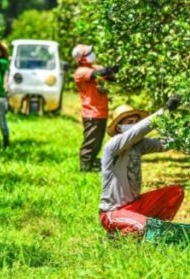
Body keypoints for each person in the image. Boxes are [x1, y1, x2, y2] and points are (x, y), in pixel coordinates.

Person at [99, 97, 184, 236]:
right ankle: (116, 238)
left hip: (134, 206)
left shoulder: (138, 145)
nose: (134, 125)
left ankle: (154, 232)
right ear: (119, 127)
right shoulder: (113, 146)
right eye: (129, 122)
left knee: (176, 192)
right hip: (112, 212)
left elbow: (164, 144)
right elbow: (137, 131)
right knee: (143, 227)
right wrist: (164, 111)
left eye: (136, 122)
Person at [72, 44, 118, 172]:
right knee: (91, 141)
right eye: (89, 53)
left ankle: (91, 164)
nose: (93, 54)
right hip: (92, 112)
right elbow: (98, 73)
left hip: (101, 111)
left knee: (97, 141)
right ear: (82, 58)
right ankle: (85, 166)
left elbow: (110, 76)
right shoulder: (80, 71)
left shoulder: (94, 67)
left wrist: (113, 72)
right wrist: (109, 70)